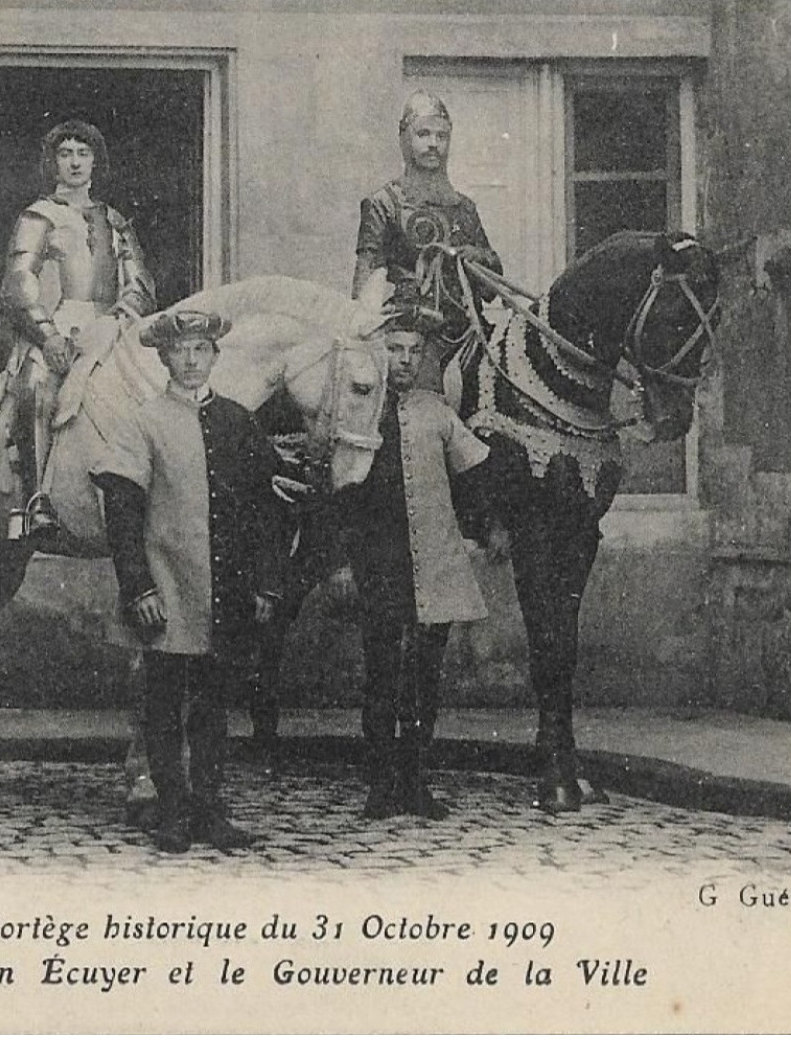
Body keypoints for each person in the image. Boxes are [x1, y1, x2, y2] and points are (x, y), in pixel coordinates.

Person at [93, 310, 285, 854]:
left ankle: (209, 810)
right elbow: (123, 512)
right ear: (164, 358)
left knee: (212, 706)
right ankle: (171, 811)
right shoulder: (143, 421)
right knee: (162, 703)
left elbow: (266, 509)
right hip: (168, 589)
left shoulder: (238, 421)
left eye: (202, 349)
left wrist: (267, 584)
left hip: (225, 589)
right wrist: (139, 589)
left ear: (215, 357)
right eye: (182, 351)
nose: (192, 359)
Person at [339, 329, 492, 821]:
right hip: (381, 566)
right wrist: (345, 560)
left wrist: (488, 528)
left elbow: (474, 476)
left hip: (435, 562)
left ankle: (416, 783)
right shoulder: (359, 410)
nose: (404, 360)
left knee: (426, 677)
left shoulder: (438, 413)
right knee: (382, 673)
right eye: (394, 349)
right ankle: (381, 785)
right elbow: (339, 492)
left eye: (414, 350)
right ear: (378, 352)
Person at [1, 119, 155, 536]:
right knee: (36, 388)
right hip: (58, 328)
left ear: (94, 163)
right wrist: (46, 335)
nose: (74, 162)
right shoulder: (38, 216)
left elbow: (138, 283)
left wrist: (119, 318)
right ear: (53, 163)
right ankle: (36, 501)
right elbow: (20, 281)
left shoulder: (115, 220)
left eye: (82, 154)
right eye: (65, 154)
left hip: (112, 327)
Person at [354, 89, 502, 392]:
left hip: (468, 338)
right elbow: (365, 282)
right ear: (406, 140)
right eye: (423, 134)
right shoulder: (383, 203)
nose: (433, 144)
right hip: (410, 342)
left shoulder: (465, 208)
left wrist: (479, 256)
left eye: (441, 136)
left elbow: (492, 290)